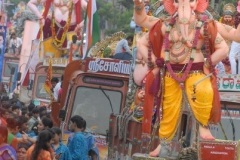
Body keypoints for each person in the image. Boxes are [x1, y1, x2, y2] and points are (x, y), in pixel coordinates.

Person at [132, 0, 230, 158]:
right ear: (173, 5)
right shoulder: (165, 25)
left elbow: (223, 48)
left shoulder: (205, 25)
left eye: (189, 1)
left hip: (197, 72)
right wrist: (154, 62)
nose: (184, 5)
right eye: (178, 1)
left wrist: (208, 63)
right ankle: (164, 144)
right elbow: (142, 37)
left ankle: (204, 128)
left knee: (204, 92)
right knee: (168, 107)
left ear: (197, 4)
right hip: (171, 72)